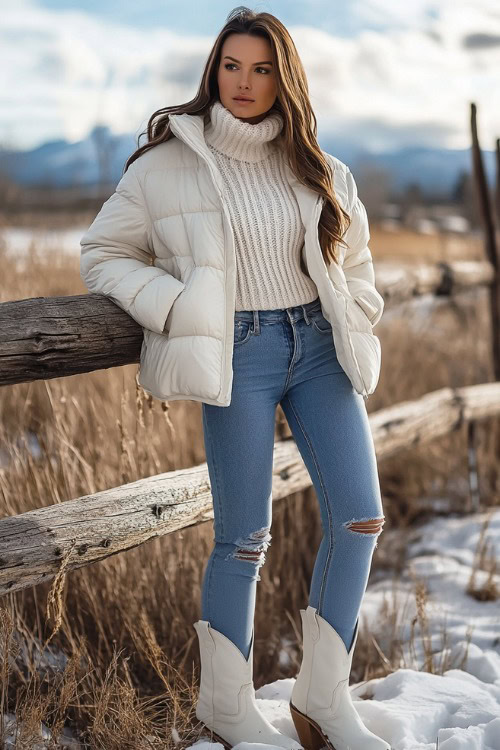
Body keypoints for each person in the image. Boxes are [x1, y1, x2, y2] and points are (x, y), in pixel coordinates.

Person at [80, 7, 390, 750]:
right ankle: (225, 708)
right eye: (232, 65)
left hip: (317, 347)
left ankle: (322, 702)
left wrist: (355, 310)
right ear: (212, 70)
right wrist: (181, 305)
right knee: (245, 538)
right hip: (238, 356)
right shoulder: (167, 161)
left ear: (284, 78)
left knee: (360, 518)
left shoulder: (320, 164)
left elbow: (357, 266)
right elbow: (103, 254)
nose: (245, 82)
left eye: (261, 68)